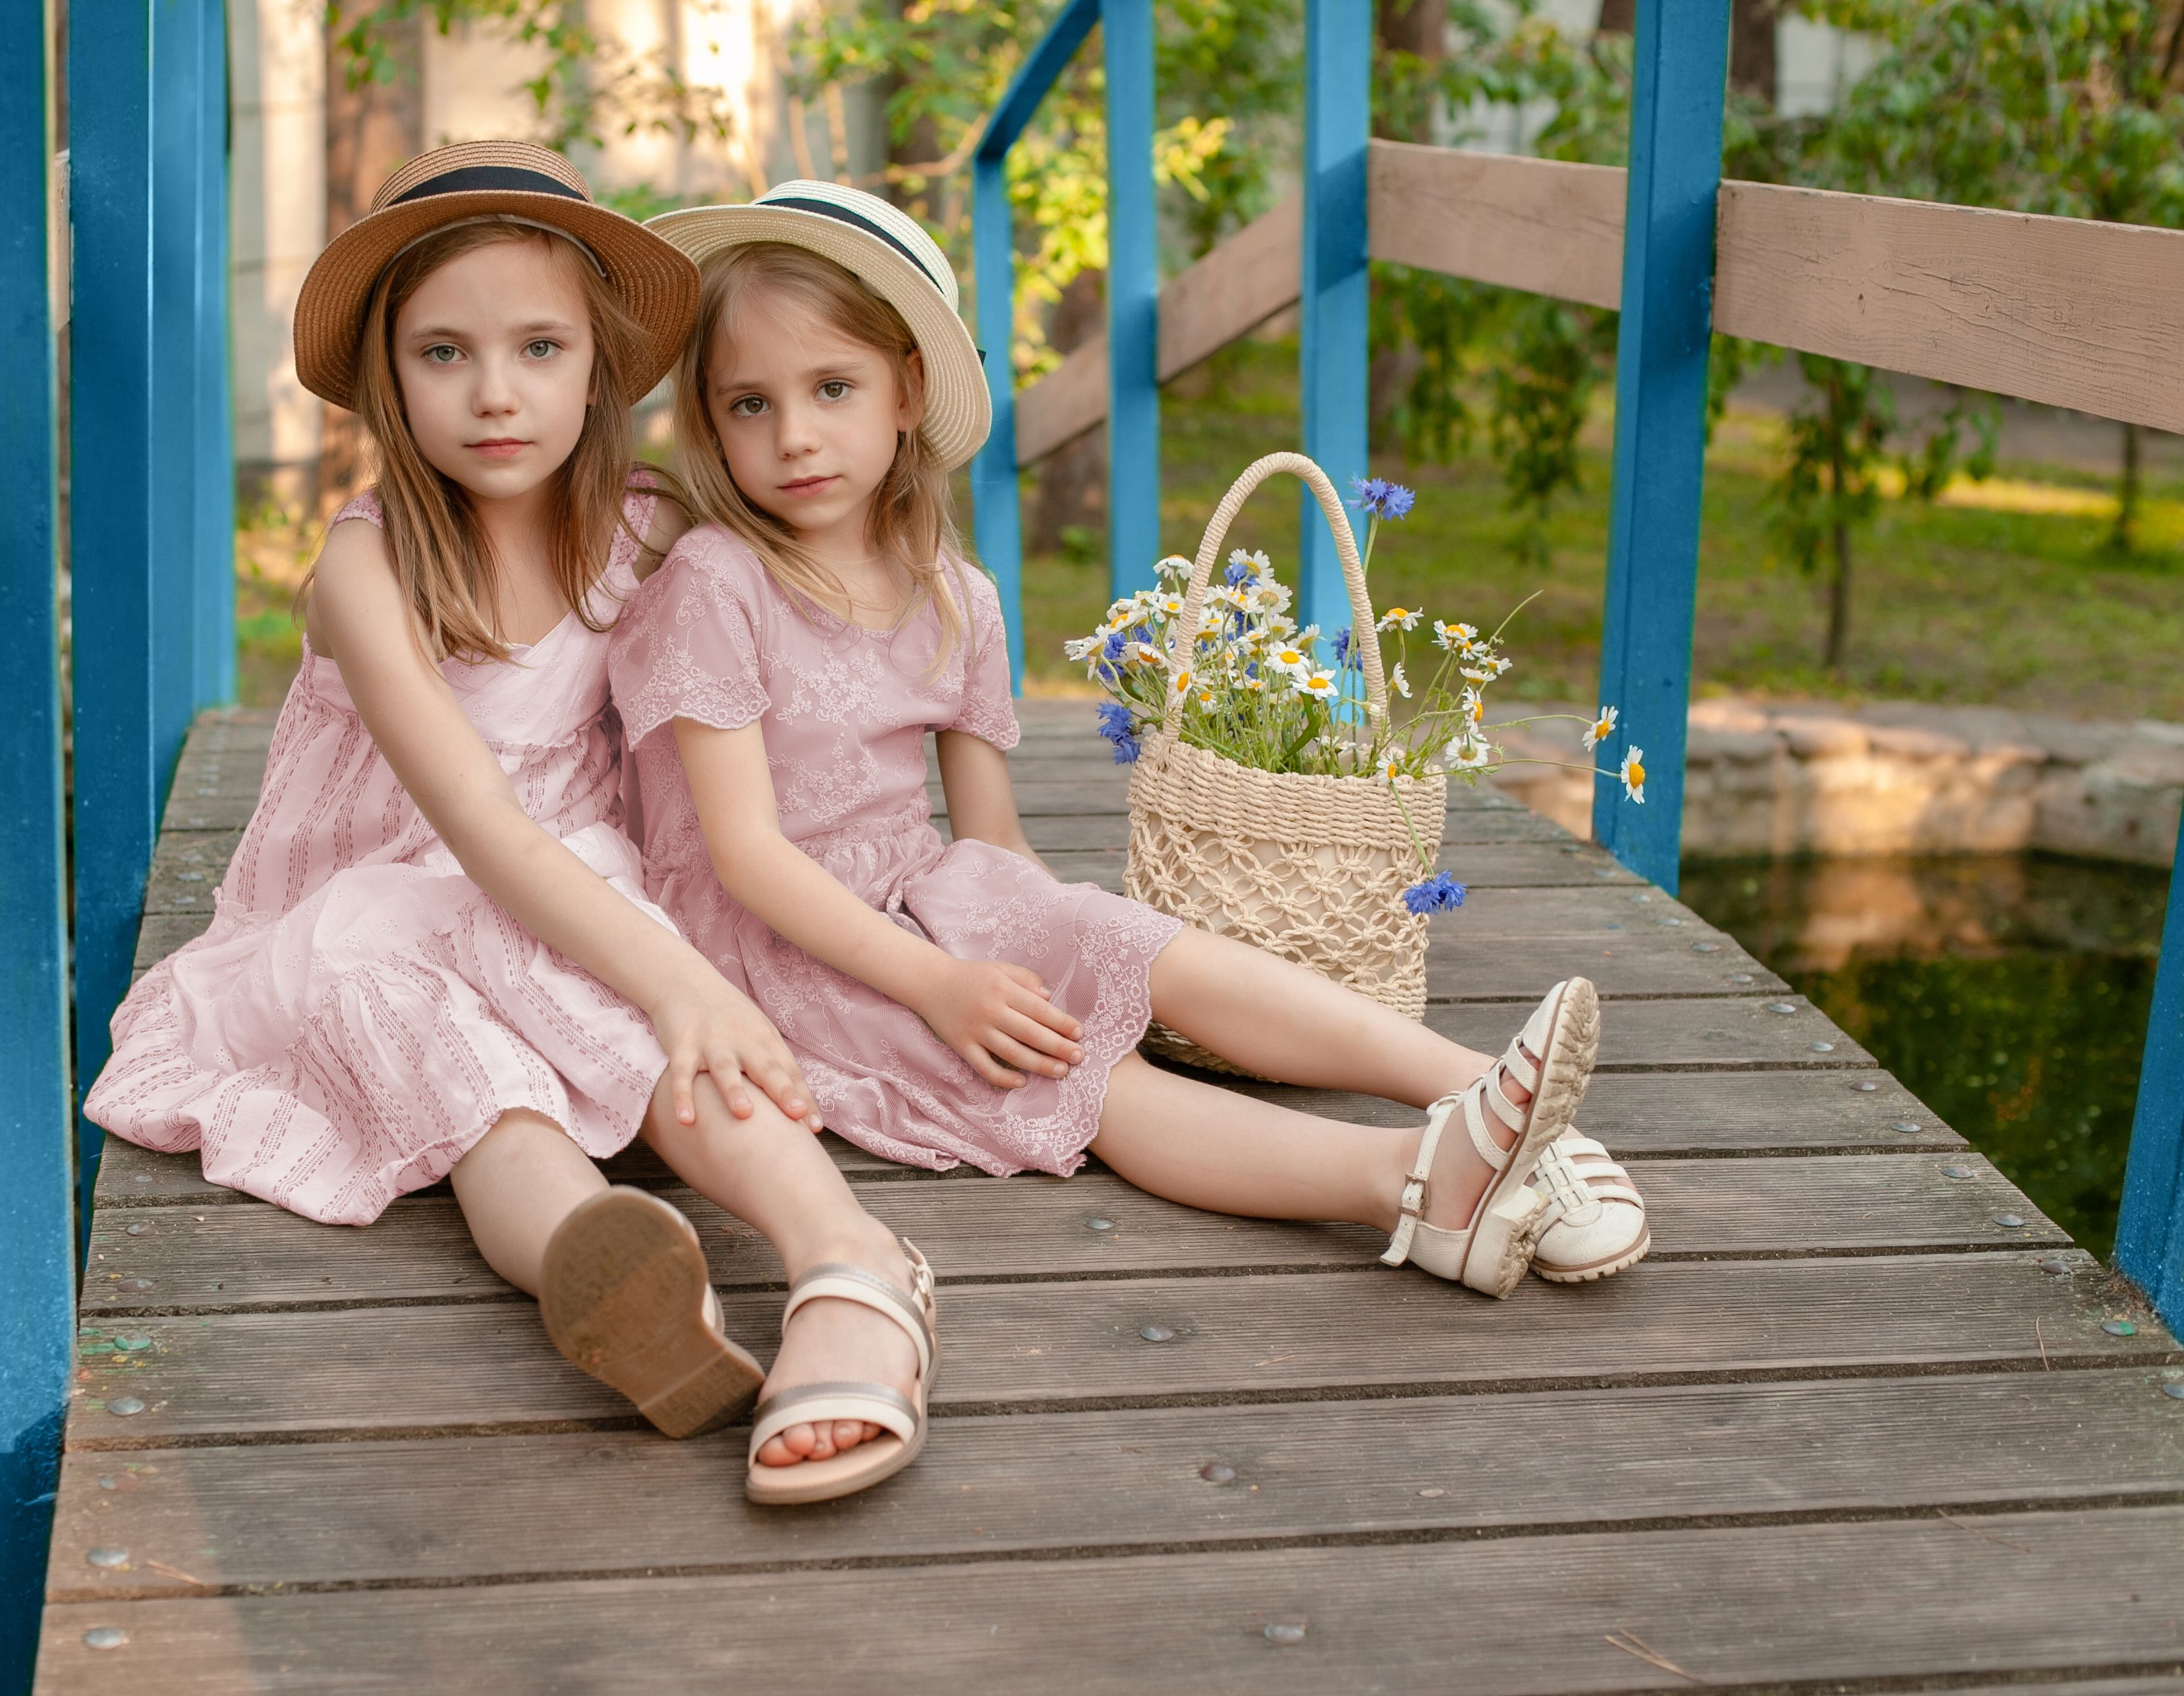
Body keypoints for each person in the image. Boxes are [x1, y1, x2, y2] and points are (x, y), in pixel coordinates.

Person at [609, 182, 1647, 1491]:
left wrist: (1058, 954)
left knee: (1115, 940)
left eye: (830, 388)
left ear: (904, 392)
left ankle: (1486, 1092)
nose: (790, 435)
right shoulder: (718, 582)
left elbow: (986, 835)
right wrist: (946, 987)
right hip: (770, 943)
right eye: (745, 404)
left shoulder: (952, 591)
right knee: (1078, 1081)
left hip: (926, 895)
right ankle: (1413, 1182)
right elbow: (744, 858)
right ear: (707, 421)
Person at [86, 145, 932, 1485]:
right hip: (392, 890)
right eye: (443, 354)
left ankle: (845, 1259)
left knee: (635, 1021)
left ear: (597, 365)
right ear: (386, 377)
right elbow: (476, 828)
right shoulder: (367, 570)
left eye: (538, 347)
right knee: (464, 1074)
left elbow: (789, 655)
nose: (494, 394)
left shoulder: (646, 530)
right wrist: (679, 982)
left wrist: (773, 937)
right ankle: (617, 1280)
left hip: (576, 877)